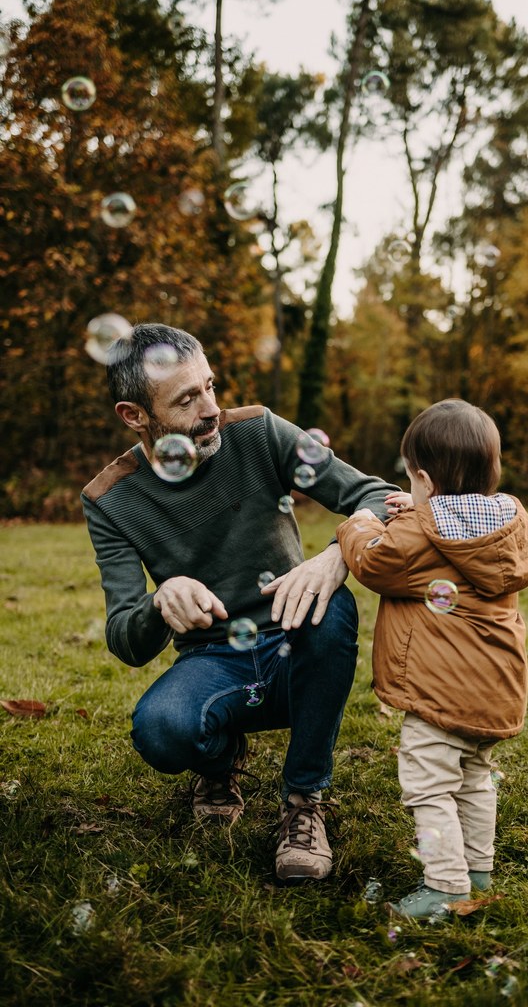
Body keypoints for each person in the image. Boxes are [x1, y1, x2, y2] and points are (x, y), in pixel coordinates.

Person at [81, 322, 399, 884]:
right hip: (212, 662)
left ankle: (303, 803)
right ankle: (220, 762)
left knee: (336, 610)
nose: (210, 408)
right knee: (159, 729)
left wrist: (335, 554)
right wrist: (161, 603)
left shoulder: (257, 432)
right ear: (134, 416)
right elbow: (124, 637)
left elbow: (375, 494)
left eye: (210, 385)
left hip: (293, 636)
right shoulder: (110, 500)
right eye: (187, 398)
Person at [336, 399, 528, 919]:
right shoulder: (508, 524)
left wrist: (355, 526)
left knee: (428, 786)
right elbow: (443, 525)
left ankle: (445, 884)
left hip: (437, 691)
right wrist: (418, 510)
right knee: (473, 779)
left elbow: (374, 563)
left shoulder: (415, 535)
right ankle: (477, 871)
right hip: (494, 689)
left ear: (422, 478)